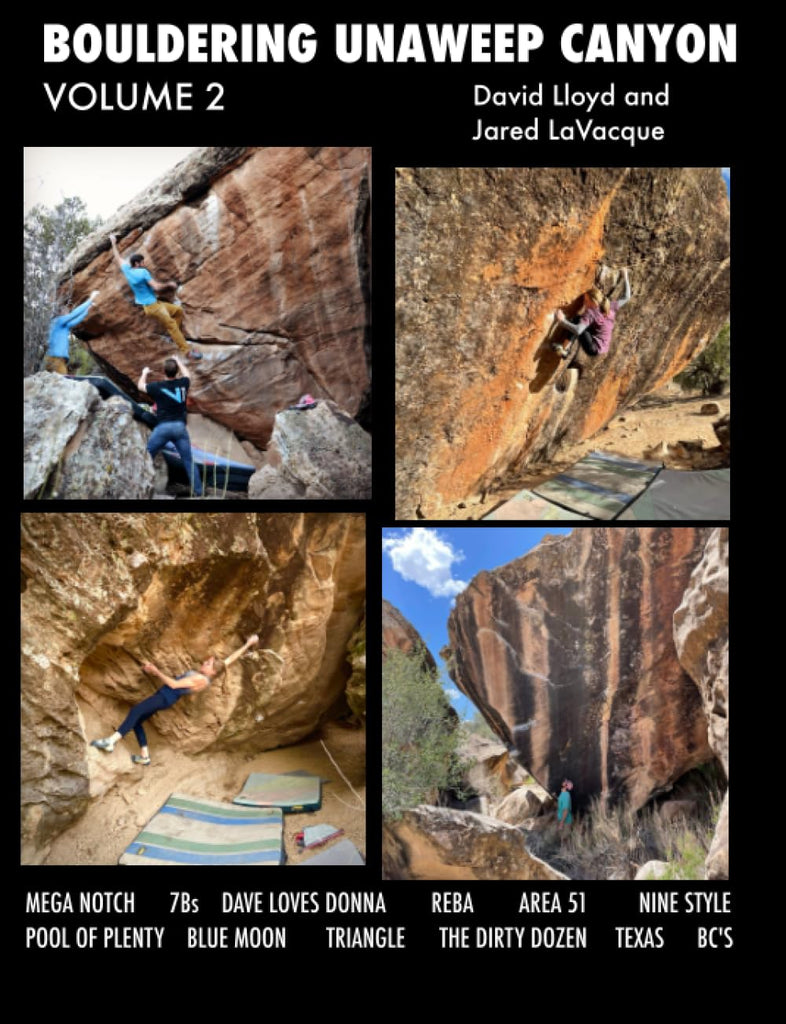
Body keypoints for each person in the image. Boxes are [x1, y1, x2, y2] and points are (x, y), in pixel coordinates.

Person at [91, 635, 260, 765]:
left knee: (135, 711)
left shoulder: (200, 679)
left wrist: (155, 671)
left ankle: (111, 742)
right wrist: (248, 644)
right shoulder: (207, 675)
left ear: (212, 672)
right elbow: (229, 660)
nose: (204, 662)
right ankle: (145, 756)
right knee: (138, 721)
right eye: (207, 661)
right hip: (165, 697)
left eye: (208, 663)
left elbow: (173, 684)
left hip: (165, 697)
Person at [108, 232, 202, 360]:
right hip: (153, 306)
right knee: (171, 324)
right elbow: (156, 287)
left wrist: (113, 242)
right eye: (142, 262)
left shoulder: (127, 270)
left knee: (178, 311)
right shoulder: (142, 272)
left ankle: (174, 336)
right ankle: (187, 352)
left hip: (152, 305)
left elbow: (118, 258)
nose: (144, 264)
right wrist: (169, 284)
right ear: (137, 264)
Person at [139, 356, 202, 496]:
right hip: (180, 428)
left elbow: (140, 386)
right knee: (188, 461)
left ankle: (138, 486)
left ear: (163, 371)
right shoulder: (183, 383)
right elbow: (188, 375)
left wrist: (144, 373)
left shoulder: (158, 387)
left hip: (163, 428)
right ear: (176, 371)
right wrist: (179, 361)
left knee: (147, 455)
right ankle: (198, 492)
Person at [552, 268, 631, 360]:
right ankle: (564, 349)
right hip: (602, 346)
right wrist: (625, 275)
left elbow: (578, 330)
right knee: (579, 320)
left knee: (577, 321)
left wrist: (562, 320)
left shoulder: (591, 312)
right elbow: (627, 297)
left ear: (592, 301)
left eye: (586, 300)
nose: (584, 303)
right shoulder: (610, 305)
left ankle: (564, 349)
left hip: (593, 347)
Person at [45, 290, 100, 373]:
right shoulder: (57, 321)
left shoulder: (63, 326)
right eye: (66, 311)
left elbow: (77, 320)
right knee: (62, 381)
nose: (68, 313)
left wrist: (88, 309)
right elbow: (73, 315)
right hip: (55, 359)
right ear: (61, 312)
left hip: (58, 359)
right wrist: (90, 300)